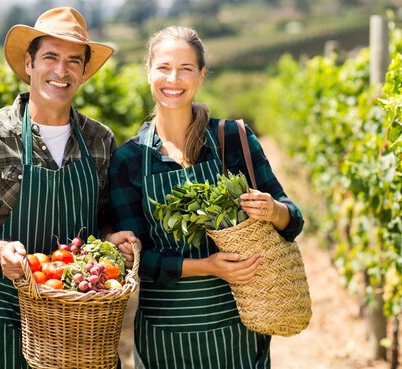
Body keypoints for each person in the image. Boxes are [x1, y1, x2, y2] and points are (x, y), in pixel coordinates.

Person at [0, 7, 137, 369]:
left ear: (85, 70)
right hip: (2, 320)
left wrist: (113, 240)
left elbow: (102, 219)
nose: (62, 70)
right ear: (29, 63)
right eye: (50, 57)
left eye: (74, 60)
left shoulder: (100, 140)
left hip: (78, 328)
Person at [107, 26, 305, 368]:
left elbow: (294, 219)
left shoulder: (233, 140)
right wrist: (207, 266)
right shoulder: (130, 159)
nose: (174, 78)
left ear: (200, 76)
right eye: (164, 67)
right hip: (165, 336)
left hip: (237, 330)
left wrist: (272, 210)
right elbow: (137, 261)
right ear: (149, 73)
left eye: (186, 68)